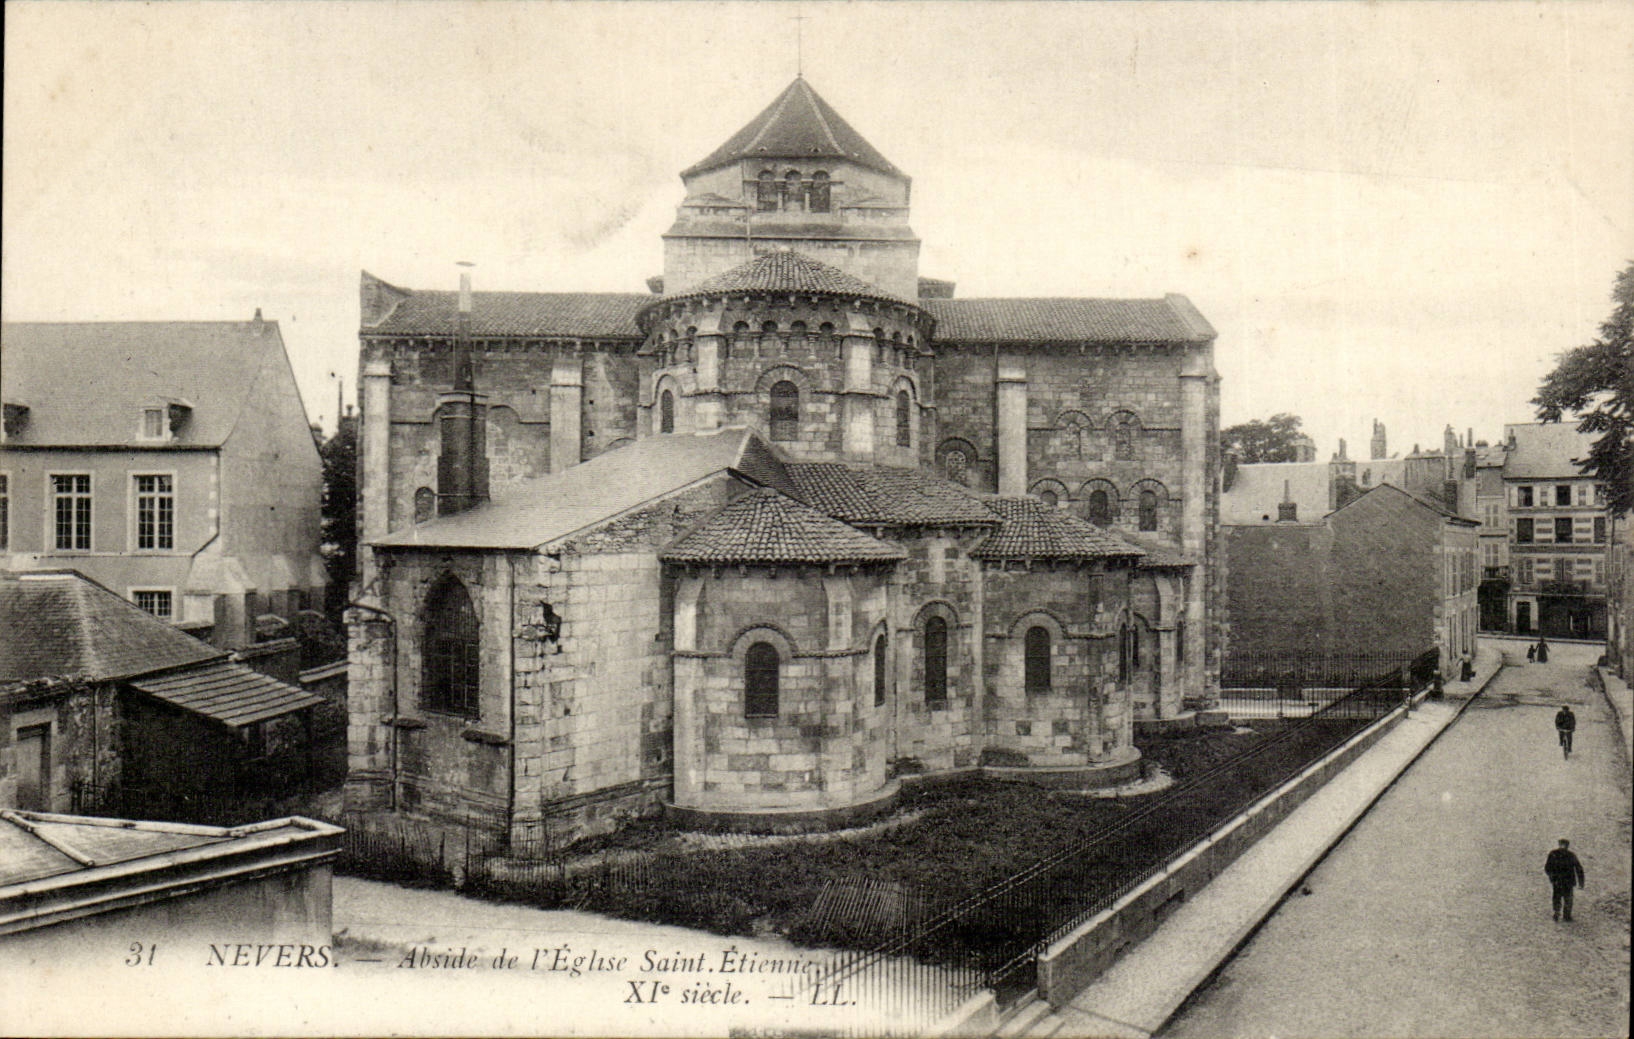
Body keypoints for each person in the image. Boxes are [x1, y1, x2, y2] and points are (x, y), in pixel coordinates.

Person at [1544, 839, 1585, 921]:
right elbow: (1547, 867)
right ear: (1559, 845)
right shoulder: (1553, 854)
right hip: (1558, 881)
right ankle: (1557, 912)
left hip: (1567, 882)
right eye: (1561, 845)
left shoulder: (1571, 855)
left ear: (1567, 846)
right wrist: (1552, 877)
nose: (1563, 847)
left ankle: (1566, 915)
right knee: (1557, 897)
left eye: (1564, 845)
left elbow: (1578, 868)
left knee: (1568, 898)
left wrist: (1581, 882)